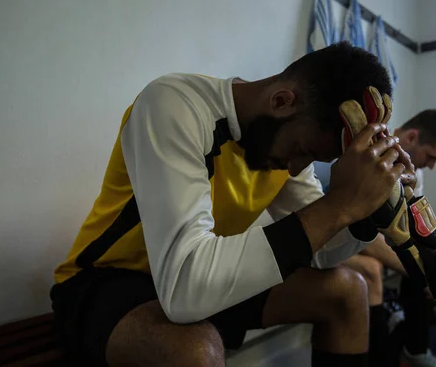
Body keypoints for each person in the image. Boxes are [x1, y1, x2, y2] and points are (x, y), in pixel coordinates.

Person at [50, 42, 415, 367]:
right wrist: (339, 205)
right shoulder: (174, 104)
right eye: (303, 151)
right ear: (281, 101)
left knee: (349, 290)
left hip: (202, 279)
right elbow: (183, 290)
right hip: (105, 279)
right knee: (194, 350)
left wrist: (368, 212)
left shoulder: (284, 141)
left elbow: (321, 253)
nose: (296, 168)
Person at [344, 109, 436, 366]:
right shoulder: (369, 157)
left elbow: (418, 225)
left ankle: (415, 350)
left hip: (369, 238)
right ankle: (387, 355)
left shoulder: (414, 174)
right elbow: (357, 227)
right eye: (431, 157)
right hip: (342, 234)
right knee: (386, 270)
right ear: (411, 137)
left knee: (429, 264)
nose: (431, 166)